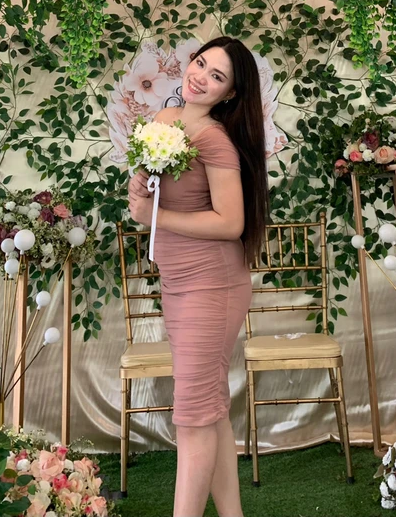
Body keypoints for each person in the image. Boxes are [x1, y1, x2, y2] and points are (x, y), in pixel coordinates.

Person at [128, 35, 270, 517]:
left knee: (192, 416)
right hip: (179, 282)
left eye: (217, 76)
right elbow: (148, 198)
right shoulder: (164, 120)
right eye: (202, 63)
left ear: (230, 93)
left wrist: (156, 216)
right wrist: (141, 192)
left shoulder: (212, 138)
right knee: (209, 409)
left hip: (213, 285)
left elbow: (231, 223)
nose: (201, 77)